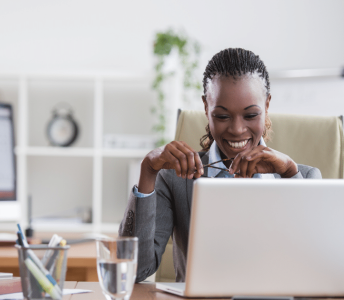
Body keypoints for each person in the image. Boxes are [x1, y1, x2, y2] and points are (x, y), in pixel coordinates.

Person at [119, 48, 322, 283]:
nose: (237, 129)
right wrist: (148, 169)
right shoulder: (173, 178)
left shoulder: (304, 177)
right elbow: (133, 270)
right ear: (206, 107)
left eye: (250, 115)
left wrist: (289, 173)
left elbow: (315, 269)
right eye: (223, 116)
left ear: (267, 104)